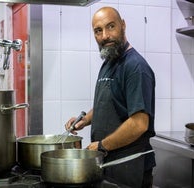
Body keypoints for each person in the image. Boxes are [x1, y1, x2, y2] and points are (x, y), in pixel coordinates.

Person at [65, 7, 156, 188]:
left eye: (111, 26)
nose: (105, 35)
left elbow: (139, 123)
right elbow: (109, 103)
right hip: (109, 162)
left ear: (123, 25)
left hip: (130, 166)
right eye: (98, 31)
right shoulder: (110, 61)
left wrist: (101, 145)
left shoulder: (135, 67)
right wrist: (84, 120)